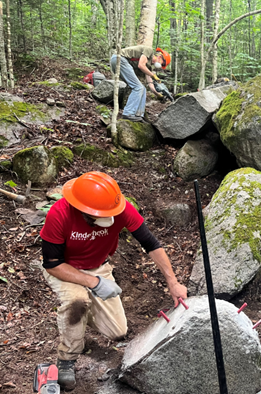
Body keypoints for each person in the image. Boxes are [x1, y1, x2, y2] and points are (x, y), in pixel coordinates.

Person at [39, 171, 188, 390]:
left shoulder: (120, 209)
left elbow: (151, 244)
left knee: (117, 331)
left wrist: (173, 282)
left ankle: (77, 324)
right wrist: (93, 283)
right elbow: (52, 263)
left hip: (99, 266)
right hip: (65, 269)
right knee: (77, 301)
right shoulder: (59, 214)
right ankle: (67, 359)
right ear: (84, 211)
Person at [109, 46, 170, 122]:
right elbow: (141, 65)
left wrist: (157, 94)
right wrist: (153, 75)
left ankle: (139, 115)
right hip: (119, 58)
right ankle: (128, 113)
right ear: (160, 57)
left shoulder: (148, 66)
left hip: (118, 61)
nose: (161, 65)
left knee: (142, 88)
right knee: (138, 87)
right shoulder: (149, 50)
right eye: (163, 63)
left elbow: (150, 83)